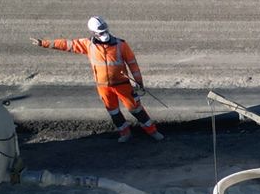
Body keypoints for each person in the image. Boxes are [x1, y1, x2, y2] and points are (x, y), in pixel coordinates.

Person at [32, 16, 163, 141]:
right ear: (93, 33)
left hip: (122, 84)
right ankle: (125, 133)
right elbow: (67, 44)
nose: (103, 34)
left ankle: (152, 131)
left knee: (135, 109)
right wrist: (43, 43)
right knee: (114, 112)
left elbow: (133, 64)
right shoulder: (88, 44)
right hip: (103, 87)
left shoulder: (121, 45)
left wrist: (139, 81)